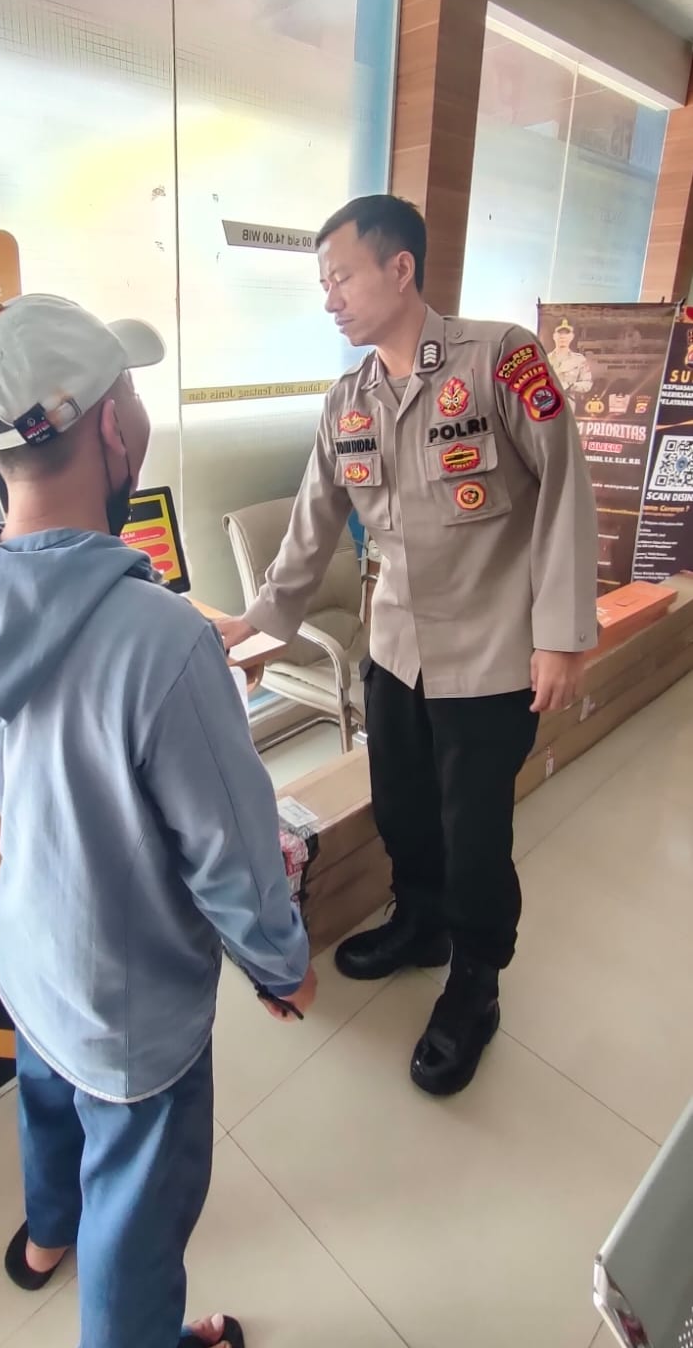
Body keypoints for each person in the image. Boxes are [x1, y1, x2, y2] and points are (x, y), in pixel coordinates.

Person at [0, 294, 315, 1348]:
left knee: (48, 1100)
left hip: (30, 948)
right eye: (131, 393)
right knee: (138, 1219)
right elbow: (231, 850)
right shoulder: (163, 639)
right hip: (132, 1007)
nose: (137, 412)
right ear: (109, 426)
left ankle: (44, 1238)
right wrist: (280, 964)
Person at [219, 195, 598, 1098]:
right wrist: (261, 625)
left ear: (399, 269)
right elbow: (312, 522)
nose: (328, 300)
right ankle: (420, 922)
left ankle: (475, 980)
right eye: (321, 284)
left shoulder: (498, 358)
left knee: (475, 835)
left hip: (492, 653)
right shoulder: (347, 400)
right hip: (394, 649)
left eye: (341, 278)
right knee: (401, 808)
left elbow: (563, 491)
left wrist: (560, 637)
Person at [548, 317, 593, 411]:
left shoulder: (579, 360)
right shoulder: (545, 359)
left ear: (572, 336)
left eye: (566, 333)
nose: (563, 337)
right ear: (554, 336)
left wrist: (569, 385)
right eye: (560, 333)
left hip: (568, 406)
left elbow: (587, 384)